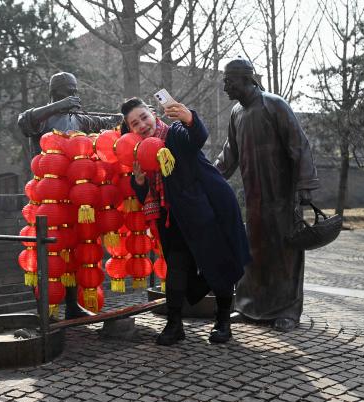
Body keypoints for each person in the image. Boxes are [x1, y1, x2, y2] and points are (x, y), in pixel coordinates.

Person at [124, 97, 251, 346]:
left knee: (218, 265)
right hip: (173, 219)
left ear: (153, 115)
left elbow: (197, 136)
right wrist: (138, 181)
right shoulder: (138, 153)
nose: (141, 125)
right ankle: (174, 325)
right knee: (177, 270)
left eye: (143, 117)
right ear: (130, 129)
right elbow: (147, 194)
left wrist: (189, 118)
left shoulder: (175, 134)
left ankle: (223, 323)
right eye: (134, 123)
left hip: (207, 210)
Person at [214, 58, 320, 332]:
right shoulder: (237, 113)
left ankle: (287, 310)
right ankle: (251, 307)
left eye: (229, 81)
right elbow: (229, 154)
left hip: (282, 196)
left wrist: (305, 185)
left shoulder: (274, 104)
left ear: (246, 78)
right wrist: (209, 177)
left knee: (284, 255)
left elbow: (299, 145)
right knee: (254, 252)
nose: (225, 87)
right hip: (254, 197)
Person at [18, 71, 122, 319]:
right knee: (48, 252)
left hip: (75, 196)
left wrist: (123, 118)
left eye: (75, 90)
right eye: (68, 90)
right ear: (55, 93)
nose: (73, 95)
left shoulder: (79, 119)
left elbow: (104, 122)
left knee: (75, 250)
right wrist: (59, 106)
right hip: (48, 198)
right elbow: (23, 121)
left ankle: (73, 307)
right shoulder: (43, 118)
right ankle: (46, 310)